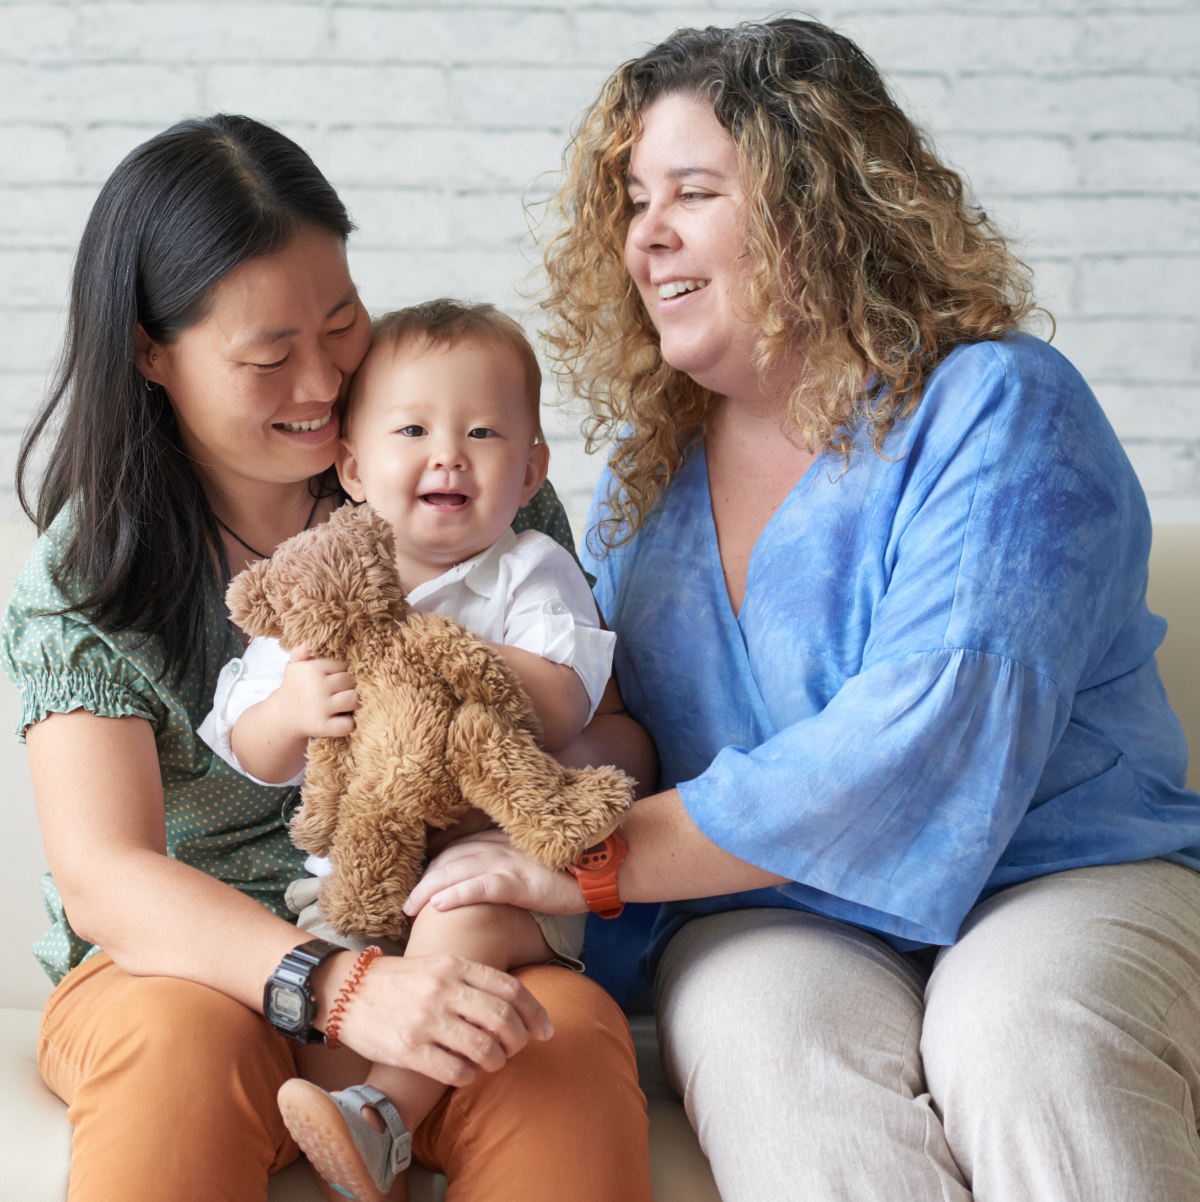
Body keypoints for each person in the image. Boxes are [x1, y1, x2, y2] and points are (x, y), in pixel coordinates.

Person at [404, 19, 1200, 1202]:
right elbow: (614, 718)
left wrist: (590, 858)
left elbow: (919, 744)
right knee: (767, 1052)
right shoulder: (642, 481)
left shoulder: (999, 408)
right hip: (767, 906)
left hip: (1055, 870)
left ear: (817, 205)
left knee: (1021, 1033)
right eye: (634, 201)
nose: (647, 234)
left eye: (693, 192)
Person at [2, 114, 653, 1202]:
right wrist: (338, 986)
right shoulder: (90, 574)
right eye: (268, 357)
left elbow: (620, 736)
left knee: (561, 1046)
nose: (321, 381)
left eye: (342, 322)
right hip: (188, 969)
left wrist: (493, 766)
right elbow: (106, 875)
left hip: (443, 926)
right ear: (151, 352)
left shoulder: (457, 475)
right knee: (179, 1048)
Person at [199, 298, 619, 1202]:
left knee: (458, 911)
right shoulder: (326, 576)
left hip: (493, 868)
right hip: (357, 878)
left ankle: (384, 1113)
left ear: (532, 468)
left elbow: (563, 702)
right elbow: (250, 748)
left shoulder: (529, 569)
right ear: (353, 467)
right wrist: (294, 709)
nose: (449, 455)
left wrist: (426, 657)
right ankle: (361, 1146)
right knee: (325, 1015)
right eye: (414, 430)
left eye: (483, 433)